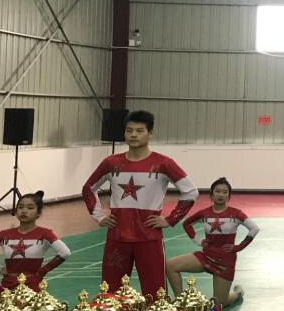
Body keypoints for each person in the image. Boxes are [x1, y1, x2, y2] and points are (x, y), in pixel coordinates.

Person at [82, 110, 198, 297]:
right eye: (129, 130)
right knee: (111, 294)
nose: (133, 135)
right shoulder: (111, 163)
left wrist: (170, 220)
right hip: (117, 238)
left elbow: (191, 191)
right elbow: (88, 188)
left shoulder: (164, 163)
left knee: (155, 294)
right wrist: (99, 217)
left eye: (139, 130)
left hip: (149, 238)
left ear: (150, 133)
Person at [164, 177, 257, 307]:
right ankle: (180, 302)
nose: (221, 195)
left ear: (229, 196)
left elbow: (254, 228)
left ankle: (237, 293)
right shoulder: (204, 213)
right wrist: (198, 241)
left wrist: (238, 247)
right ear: (211, 194)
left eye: (225, 192)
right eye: (217, 191)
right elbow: (186, 224)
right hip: (206, 257)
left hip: (225, 262)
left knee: (219, 304)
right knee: (170, 265)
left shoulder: (236, 213)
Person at [0, 191, 70, 305]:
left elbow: (65, 252)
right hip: (6, 287)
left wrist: (42, 271)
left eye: (30, 208)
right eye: (20, 207)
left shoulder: (45, 233)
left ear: (38, 213)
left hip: (31, 289)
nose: (24, 211)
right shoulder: (5, 234)